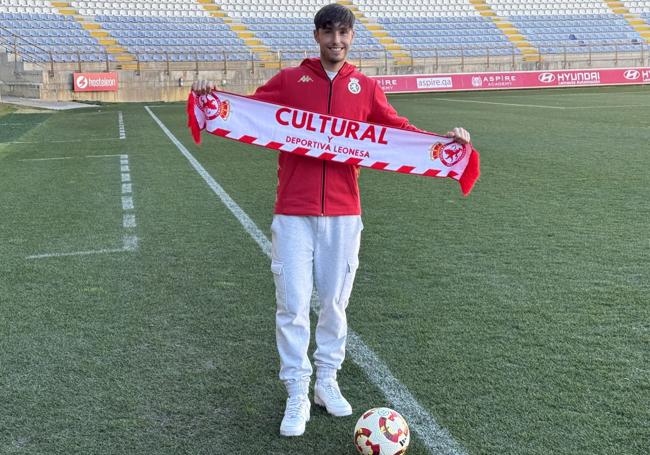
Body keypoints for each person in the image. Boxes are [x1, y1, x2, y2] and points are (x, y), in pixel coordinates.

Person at [192, 3, 470, 437]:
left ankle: (326, 380)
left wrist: (445, 144)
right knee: (293, 305)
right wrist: (211, 96)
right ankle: (297, 391)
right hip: (294, 213)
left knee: (335, 305)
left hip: (344, 213)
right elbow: (247, 109)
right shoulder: (289, 80)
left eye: (343, 33)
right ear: (316, 35)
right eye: (328, 33)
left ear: (352, 37)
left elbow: (396, 130)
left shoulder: (366, 87)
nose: (336, 41)